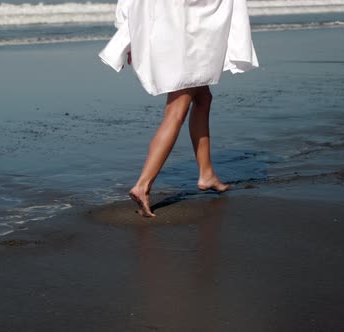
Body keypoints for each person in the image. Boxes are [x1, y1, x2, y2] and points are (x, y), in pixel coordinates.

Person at [99, 0, 259, 217]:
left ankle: (207, 173)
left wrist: (133, 35)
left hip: (176, 32)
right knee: (176, 110)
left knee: (203, 98)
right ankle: (143, 185)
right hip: (188, 36)